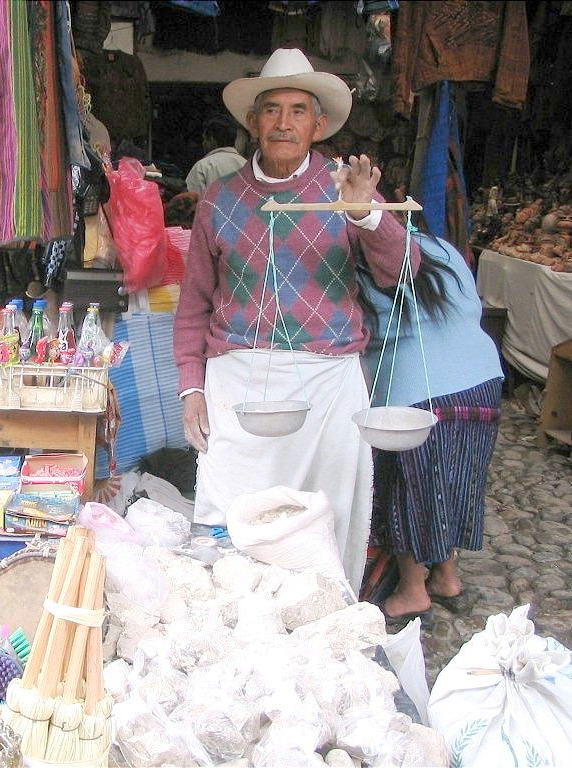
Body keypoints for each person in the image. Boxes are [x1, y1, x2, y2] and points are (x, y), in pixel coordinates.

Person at [173, 48, 420, 591]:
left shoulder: (344, 188)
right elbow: (193, 305)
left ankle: (322, 630)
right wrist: (192, 387)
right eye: (272, 110)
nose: (284, 123)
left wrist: (366, 214)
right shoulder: (219, 200)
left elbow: (402, 271)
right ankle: (228, 628)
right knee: (227, 518)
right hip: (238, 382)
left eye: (299, 110)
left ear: (319, 124)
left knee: (324, 523)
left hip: (327, 381)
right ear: (253, 122)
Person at [358, 227, 503, 618]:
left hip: (415, 391)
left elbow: (358, 333)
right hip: (482, 382)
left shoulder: (363, 261)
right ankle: (446, 578)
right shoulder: (441, 247)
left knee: (408, 492)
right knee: (452, 484)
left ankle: (411, 591)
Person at [185, 115, 246, 196]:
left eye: (205, 139)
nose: (203, 144)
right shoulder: (249, 166)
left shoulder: (203, 167)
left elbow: (192, 203)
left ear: (212, 140)